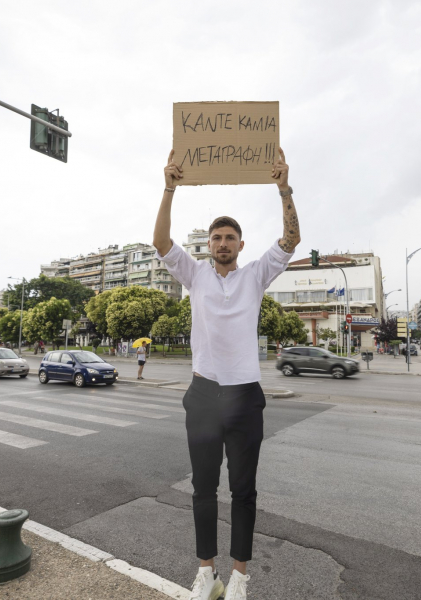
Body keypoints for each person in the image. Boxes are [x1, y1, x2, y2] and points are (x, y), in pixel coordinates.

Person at [154, 147, 299, 600]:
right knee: (202, 489)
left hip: (244, 396)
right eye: (216, 236)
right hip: (202, 395)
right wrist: (169, 187)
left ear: (240, 244)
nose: (221, 242)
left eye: (229, 237)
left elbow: (291, 240)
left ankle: (238, 577)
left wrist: (283, 187)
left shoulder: (255, 275)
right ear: (210, 245)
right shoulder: (194, 275)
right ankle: (205, 572)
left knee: (243, 491)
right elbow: (160, 242)